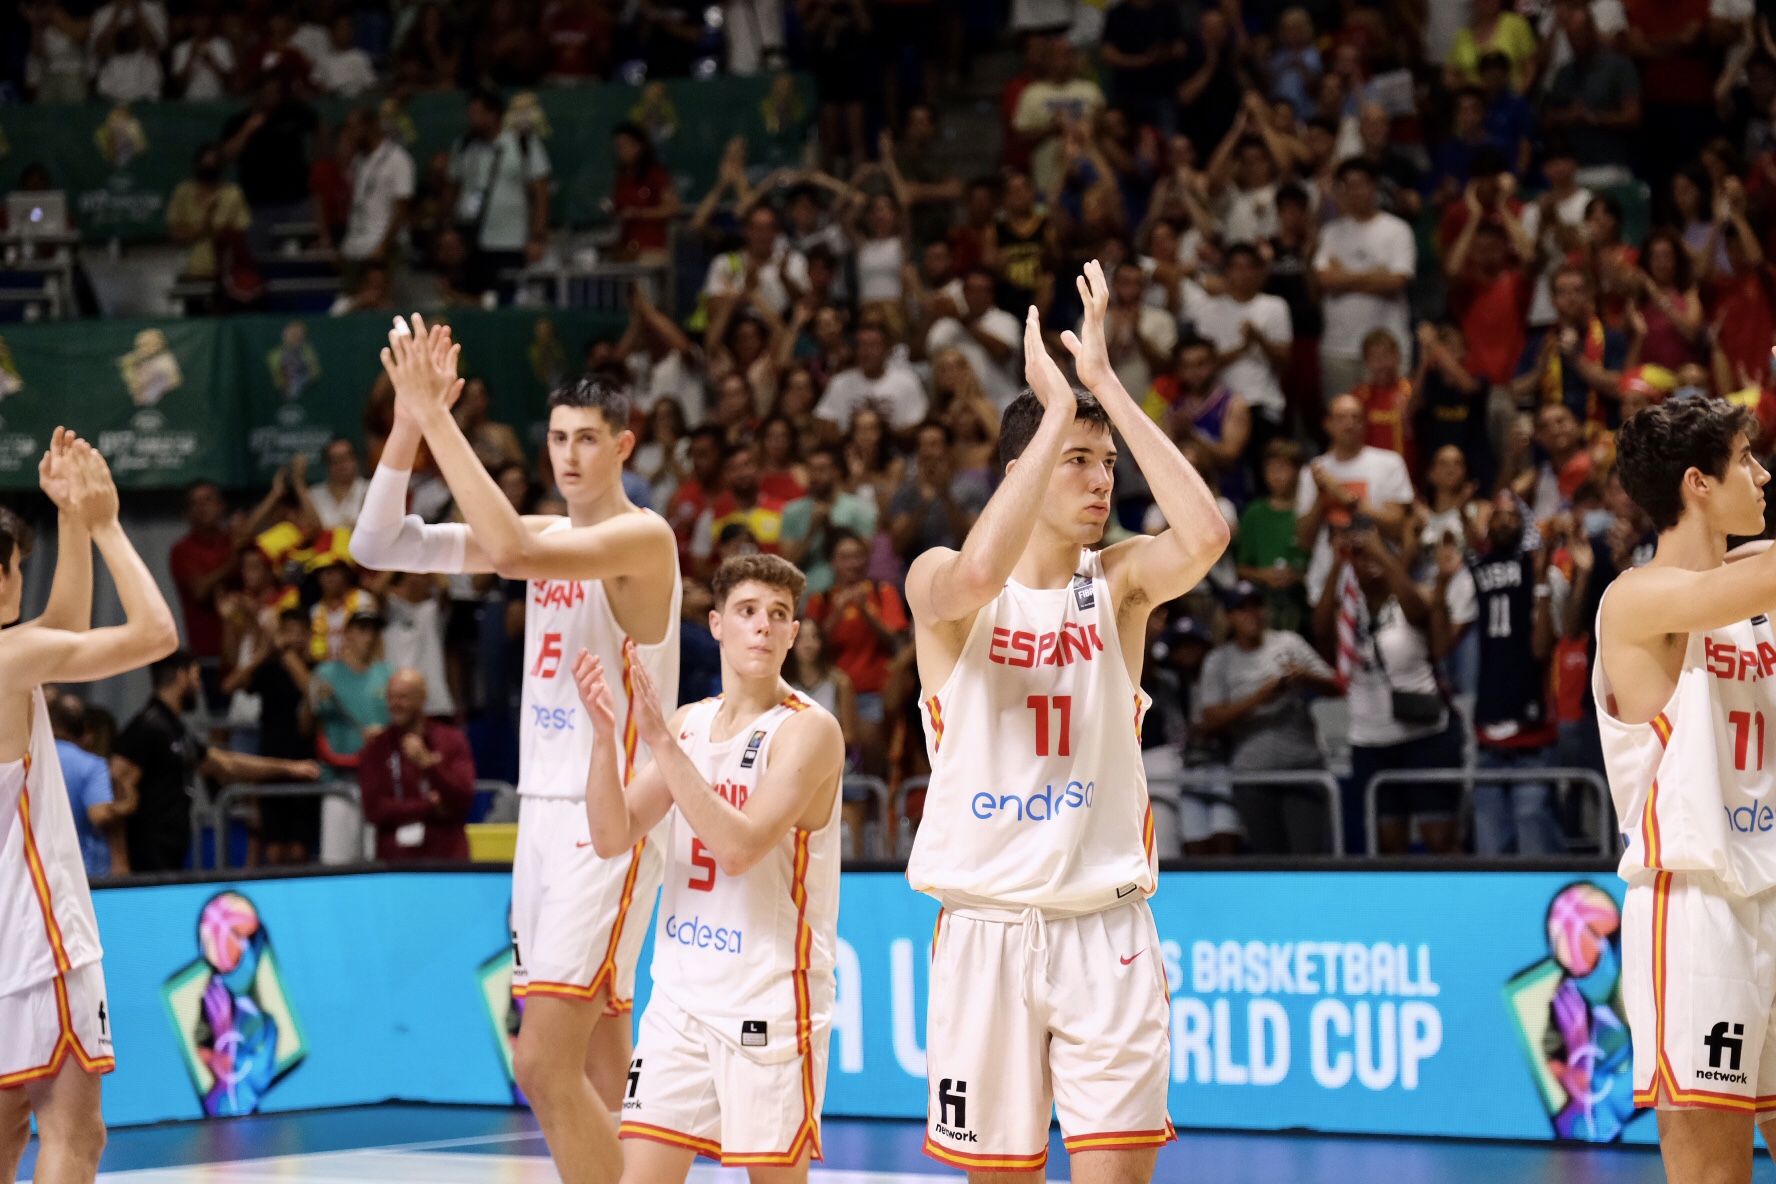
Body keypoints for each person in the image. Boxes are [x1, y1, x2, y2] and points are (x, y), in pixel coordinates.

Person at [906, 265, 1228, 1176]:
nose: (1099, 481)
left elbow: (1205, 537)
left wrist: (1106, 391)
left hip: (1106, 929)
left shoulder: (1118, 582)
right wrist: (1056, 417)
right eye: (1077, 463)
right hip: (987, 926)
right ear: (1026, 470)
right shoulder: (941, 577)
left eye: (1107, 466)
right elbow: (972, 579)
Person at [351, 317, 681, 1184]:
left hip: (608, 823)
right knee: (605, 1062)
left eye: (587, 440)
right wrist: (408, 425)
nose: (568, 456)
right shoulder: (543, 532)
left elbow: (509, 548)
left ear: (624, 447)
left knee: (538, 1064)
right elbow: (375, 545)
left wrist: (440, 415)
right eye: (557, 439)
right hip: (542, 818)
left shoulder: (643, 539)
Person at [576, 554, 843, 1177]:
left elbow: (740, 848)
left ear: (794, 634)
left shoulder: (810, 731)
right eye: (748, 612)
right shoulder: (689, 723)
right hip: (680, 1000)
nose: (764, 627)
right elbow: (612, 834)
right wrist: (603, 736)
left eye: (779, 615)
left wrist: (660, 743)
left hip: (770, 998)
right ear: (717, 625)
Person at [1593, 397, 1776, 1176]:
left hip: (1771, 883)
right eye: (1746, 458)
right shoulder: (1636, 600)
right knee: (1713, 1172)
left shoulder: (1753, 584)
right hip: (1699, 909)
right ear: (1699, 483)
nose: (1763, 474)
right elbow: (1724, 590)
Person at [0, 431, 178, 1184]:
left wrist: (67, 518)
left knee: (5, 1137)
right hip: (36, 940)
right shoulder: (8, 663)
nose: (22, 583)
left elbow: (60, 627)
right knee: (75, 1135)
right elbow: (157, 633)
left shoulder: (14, 661)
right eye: (17, 570)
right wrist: (105, 523)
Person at [118, 650, 324, 874]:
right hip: (147, 852)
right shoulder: (148, 725)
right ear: (181, 676)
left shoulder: (175, 729)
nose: (199, 687)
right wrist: (119, 859)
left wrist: (289, 768)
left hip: (171, 848)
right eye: (196, 677)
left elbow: (226, 764)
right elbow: (118, 779)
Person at [1198, 582, 1342, 854]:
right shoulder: (1219, 661)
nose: (1252, 614)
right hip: (1253, 776)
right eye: (1242, 609)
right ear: (1230, 616)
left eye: (1256, 605)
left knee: (1309, 858)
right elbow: (1211, 722)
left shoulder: (1289, 643)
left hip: (1302, 768)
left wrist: (1305, 676)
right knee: (1268, 861)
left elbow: (1337, 687)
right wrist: (1262, 697)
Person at [220, 607, 316, 866]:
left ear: (309, 636)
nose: (293, 638)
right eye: (288, 632)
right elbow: (229, 686)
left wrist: (287, 654)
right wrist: (263, 653)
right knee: (273, 849)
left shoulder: (317, 667)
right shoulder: (269, 668)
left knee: (299, 850)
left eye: (300, 633)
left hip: (305, 763)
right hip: (271, 761)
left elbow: (313, 691)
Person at [357, 668, 476, 861]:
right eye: (391, 698)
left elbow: (463, 798)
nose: (395, 704)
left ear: (422, 698)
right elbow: (374, 809)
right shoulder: (376, 748)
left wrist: (428, 765)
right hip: (395, 863)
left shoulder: (451, 740)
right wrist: (428, 806)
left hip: (447, 859)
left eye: (403, 697)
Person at [447, 88, 552, 298]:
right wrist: (451, 230)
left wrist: (537, 236)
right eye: (470, 113)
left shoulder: (522, 143)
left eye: (477, 113)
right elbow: (452, 190)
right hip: (472, 240)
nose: (472, 119)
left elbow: (541, 193)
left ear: (493, 114)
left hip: (511, 241)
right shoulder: (464, 146)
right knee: (471, 299)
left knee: (504, 299)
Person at [50, 694, 121, 880]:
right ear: (83, 728)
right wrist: (126, 806)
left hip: (40, 871)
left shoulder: (31, 761)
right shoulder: (92, 765)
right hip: (84, 873)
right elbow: (99, 814)